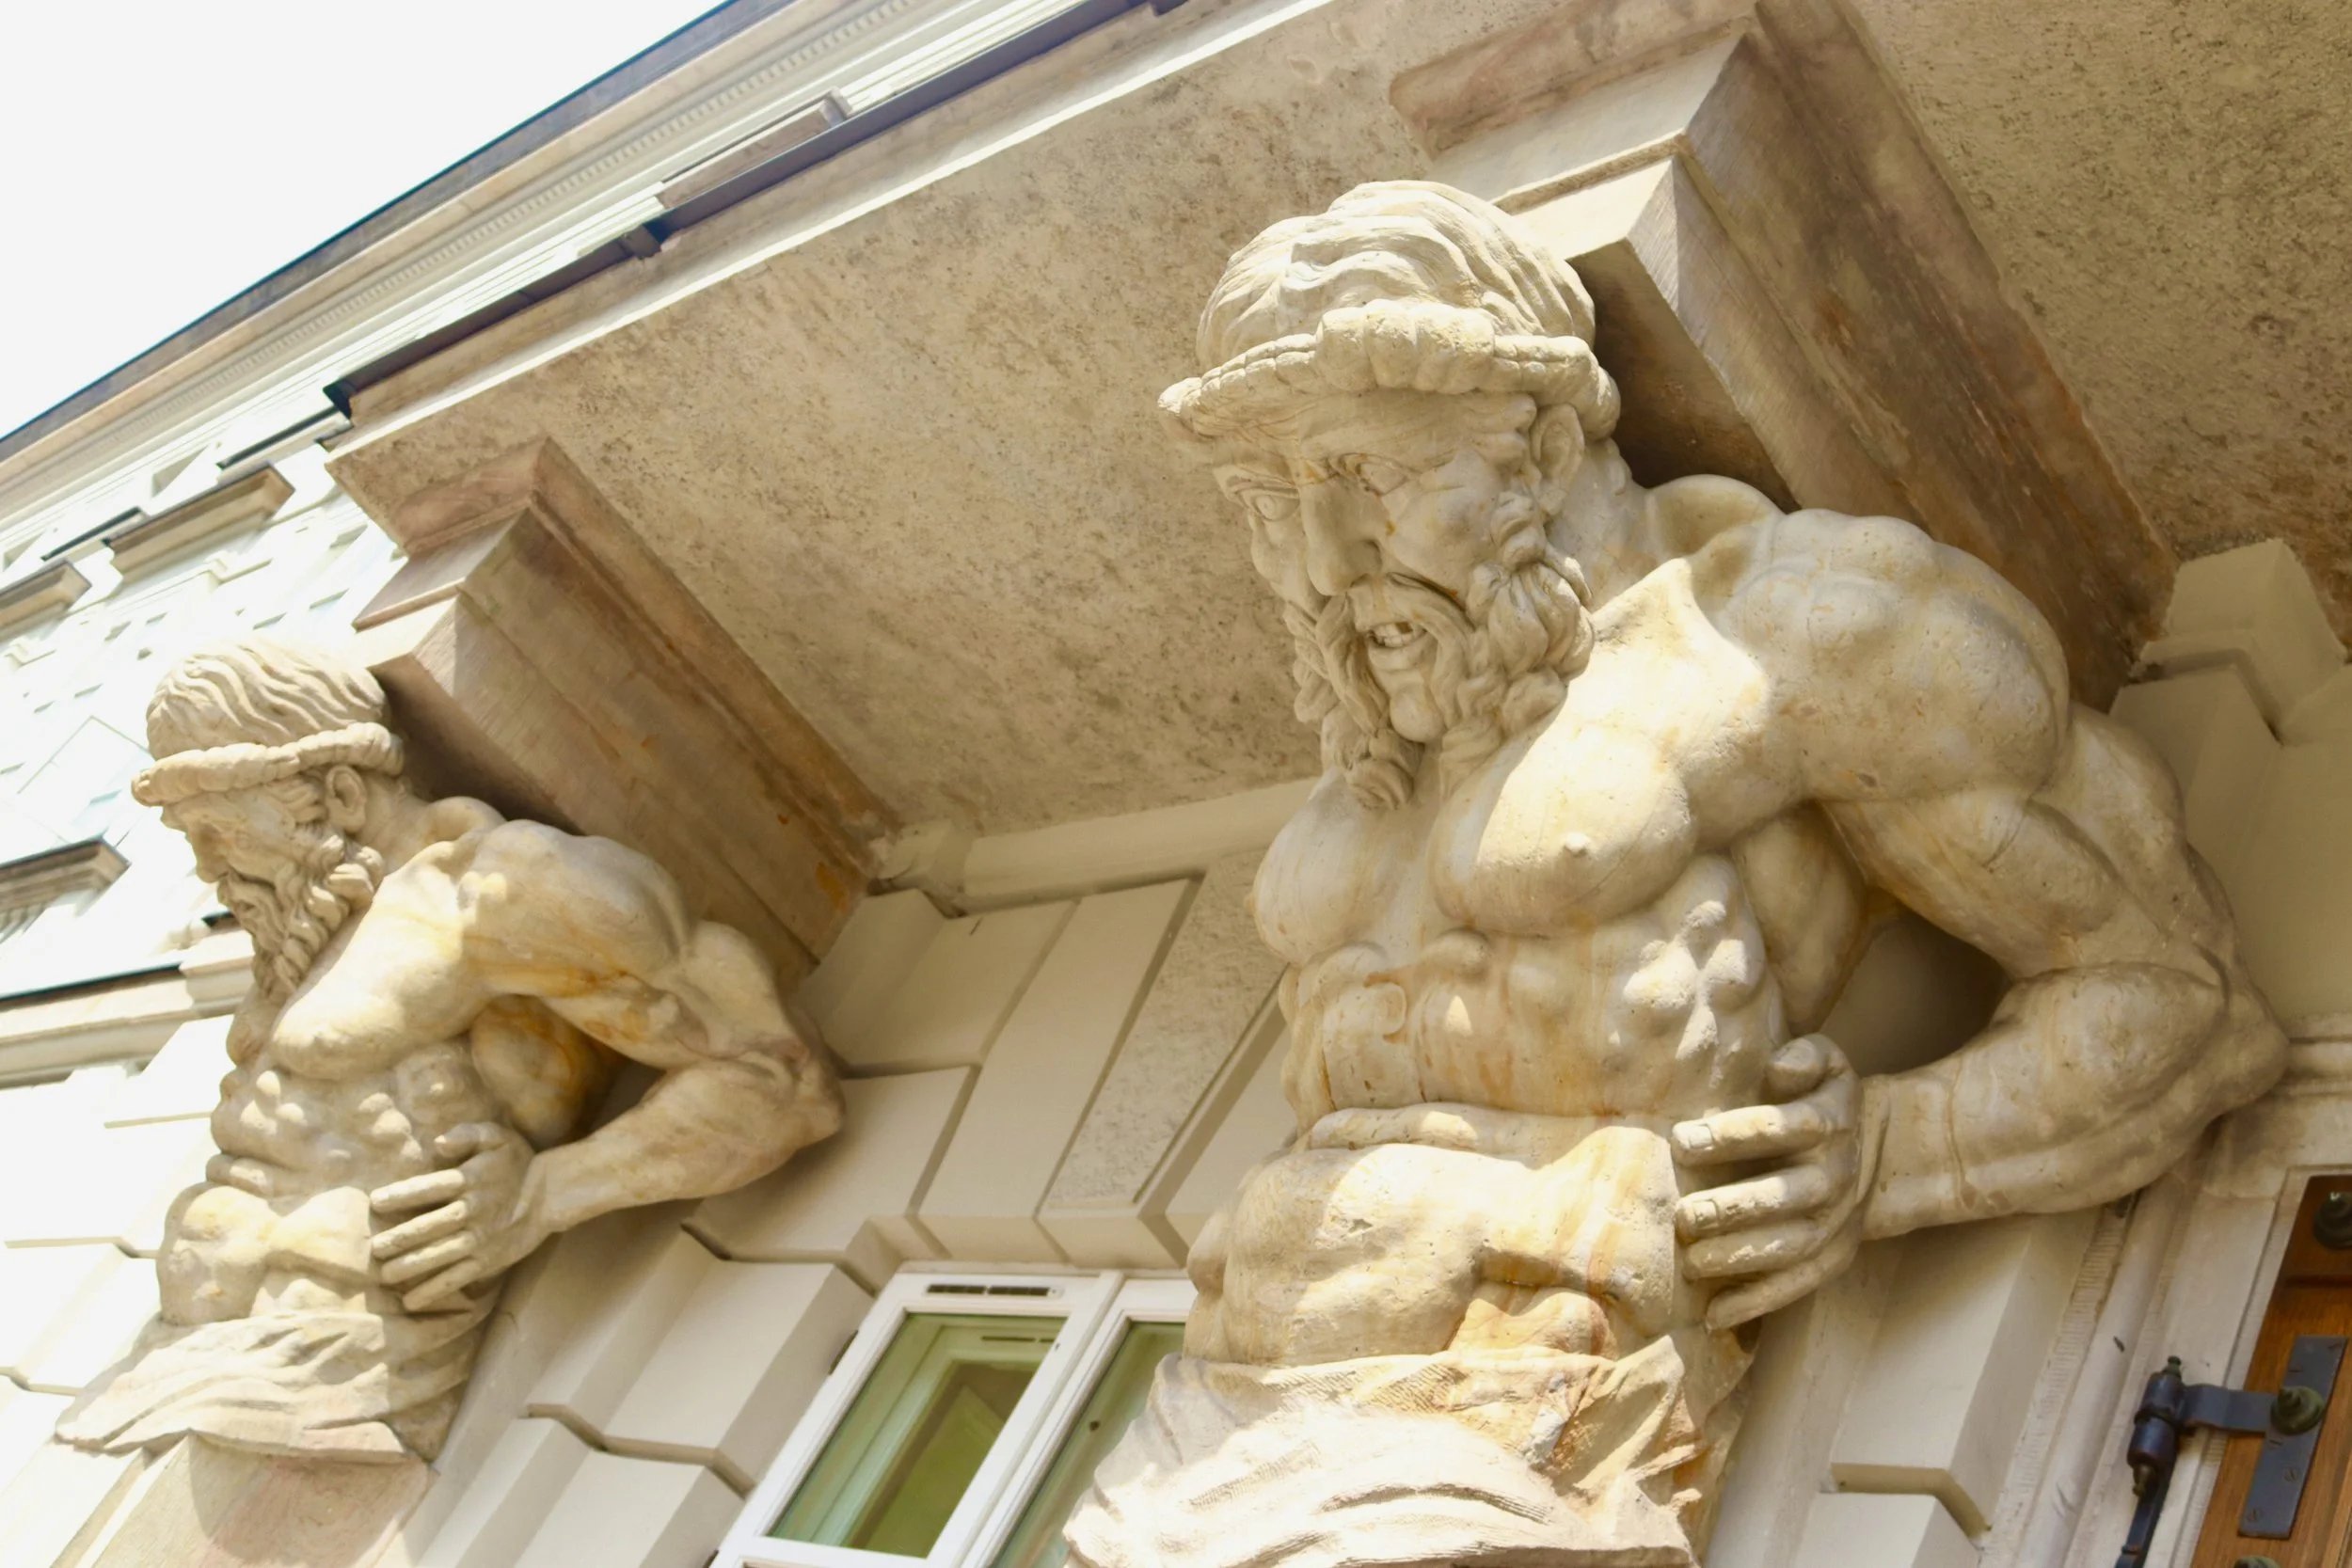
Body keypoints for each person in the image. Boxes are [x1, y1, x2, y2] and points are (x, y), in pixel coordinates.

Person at [1065, 182, 2285, 1567]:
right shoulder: (1384, 729)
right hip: (1194, 1436)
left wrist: (1897, 1149)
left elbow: (2181, 999)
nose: (1327, 558)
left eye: (1372, 479)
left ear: (1537, 437)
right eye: (1274, 499)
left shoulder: (1805, 635)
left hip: (1524, 1433)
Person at [60, 638, 842, 1461]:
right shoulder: (305, 923)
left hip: (346, 1359)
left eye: (218, 830)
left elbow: (781, 1079)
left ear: (340, 792)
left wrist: (546, 1191)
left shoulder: (503, 888)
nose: (206, 866)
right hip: (199, 1355)